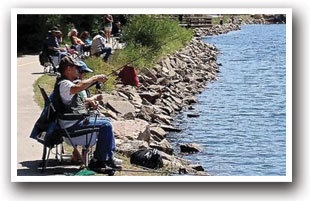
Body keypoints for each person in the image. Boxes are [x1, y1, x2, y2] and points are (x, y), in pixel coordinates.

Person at [53, 56, 121, 170]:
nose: (78, 71)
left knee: (107, 121)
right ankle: (98, 161)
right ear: (68, 69)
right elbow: (78, 87)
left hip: (72, 123)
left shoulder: (65, 82)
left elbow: (77, 93)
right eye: (76, 68)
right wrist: (95, 78)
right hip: (70, 127)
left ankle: (108, 157)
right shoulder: (65, 84)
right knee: (106, 125)